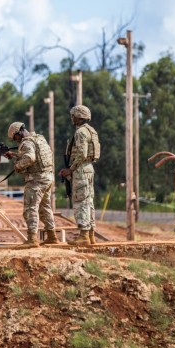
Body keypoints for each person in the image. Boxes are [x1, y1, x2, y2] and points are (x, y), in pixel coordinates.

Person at [4, 122, 59, 247]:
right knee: (45, 208)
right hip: (47, 178)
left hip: (36, 180)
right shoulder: (39, 138)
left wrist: (18, 165)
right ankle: (52, 236)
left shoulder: (26, 142)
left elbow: (30, 158)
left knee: (30, 208)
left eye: (15, 138)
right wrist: (16, 156)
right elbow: (36, 156)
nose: (16, 141)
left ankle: (32, 239)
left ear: (19, 133)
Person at [58, 105, 100, 246]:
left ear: (79, 116)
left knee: (80, 200)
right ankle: (91, 235)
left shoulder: (81, 132)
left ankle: (83, 236)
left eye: (74, 115)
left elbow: (81, 153)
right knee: (88, 201)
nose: (72, 118)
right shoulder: (91, 131)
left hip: (81, 169)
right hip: (88, 168)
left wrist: (70, 169)